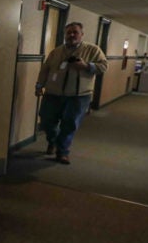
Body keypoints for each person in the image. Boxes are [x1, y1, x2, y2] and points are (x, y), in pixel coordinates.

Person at [35, 22, 108, 165]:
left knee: (69, 125)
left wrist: (86, 66)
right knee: (46, 121)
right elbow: (45, 69)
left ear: (82, 34)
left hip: (79, 96)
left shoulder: (93, 50)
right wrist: (39, 85)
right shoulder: (56, 51)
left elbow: (103, 66)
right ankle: (53, 140)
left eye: (75, 32)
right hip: (53, 93)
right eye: (69, 33)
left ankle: (62, 152)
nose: (72, 35)